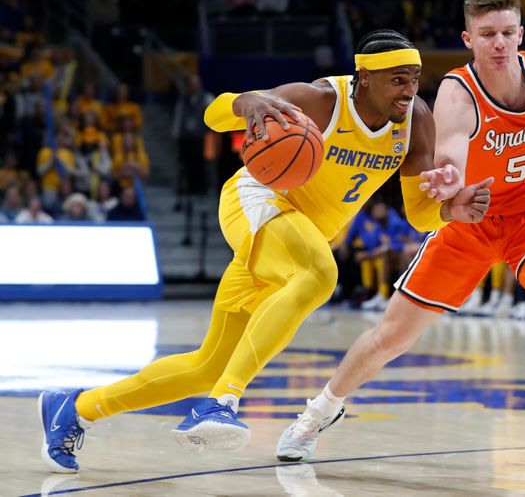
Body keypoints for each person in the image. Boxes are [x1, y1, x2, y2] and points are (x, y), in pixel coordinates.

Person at [37, 30, 489, 473]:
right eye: (398, 80)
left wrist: (451, 208)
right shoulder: (318, 100)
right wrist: (246, 101)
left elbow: (419, 214)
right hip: (257, 202)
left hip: (295, 238)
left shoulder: (416, 122)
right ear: (363, 78)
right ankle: (222, 403)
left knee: (204, 365)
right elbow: (215, 116)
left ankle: (74, 409)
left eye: (414, 78)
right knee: (319, 275)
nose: (409, 90)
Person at [277, 0, 525, 488]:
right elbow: (453, 154)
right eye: (487, 35)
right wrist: (449, 180)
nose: (499, 43)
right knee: (391, 337)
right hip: (470, 219)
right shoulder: (457, 93)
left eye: (508, 32)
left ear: (521, 35)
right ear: (468, 39)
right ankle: (319, 412)